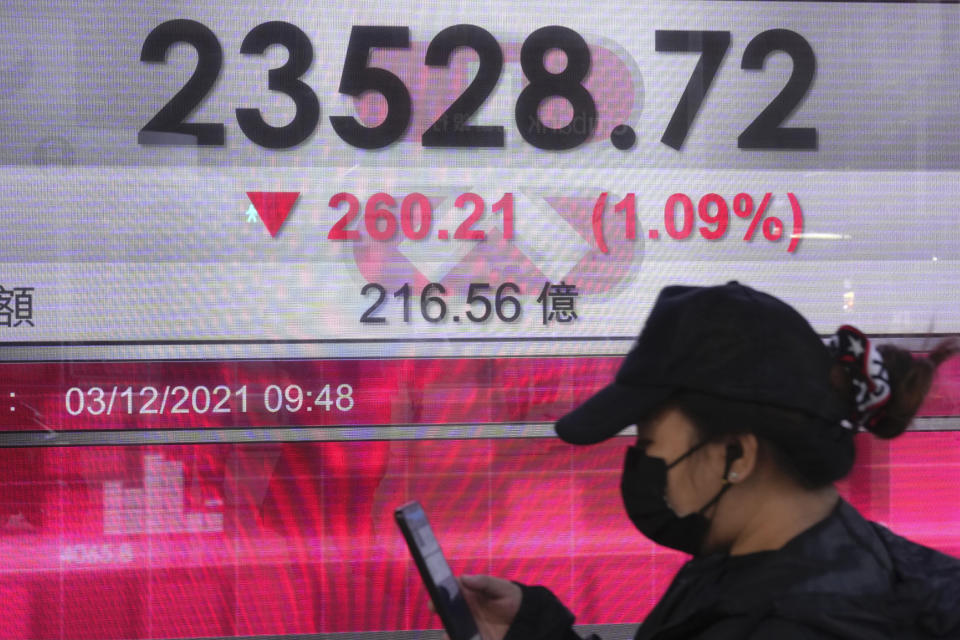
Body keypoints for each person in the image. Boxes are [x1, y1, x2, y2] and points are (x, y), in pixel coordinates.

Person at [451, 282, 960, 640]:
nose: (639, 462)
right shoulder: (772, 561)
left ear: (734, 454)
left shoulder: (795, 622)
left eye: (650, 440)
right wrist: (532, 629)